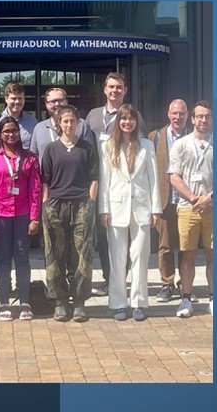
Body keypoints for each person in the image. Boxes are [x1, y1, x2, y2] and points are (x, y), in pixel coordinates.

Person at [99, 105, 162, 321]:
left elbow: (153, 179)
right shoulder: (108, 146)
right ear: (118, 122)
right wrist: (103, 209)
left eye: (131, 119)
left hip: (142, 208)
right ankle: (118, 303)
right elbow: (104, 180)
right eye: (123, 119)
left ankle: (138, 303)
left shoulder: (146, 146)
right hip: (116, 208)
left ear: (137, 122)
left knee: (140, 257)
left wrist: (156, 209)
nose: (127, 122)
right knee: (117, 259)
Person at [85, 72, 144, 297]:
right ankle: (110, 279)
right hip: (97, 182)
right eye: (111, 87)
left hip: (123, 184)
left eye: (119, 87)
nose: (114, 91)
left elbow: (140, 147)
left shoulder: (132, 115)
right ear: (104, 89)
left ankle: (123, 279)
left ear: (125, 90)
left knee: (125, 235)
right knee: (103, 233)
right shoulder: (92, 116)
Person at [41, 105, 99, 322]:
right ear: (58, 124)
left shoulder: (86, 147)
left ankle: (80, 301)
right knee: (55, 254)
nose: (68, 125)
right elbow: (44, 179)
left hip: (81, 203)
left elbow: (95, 176)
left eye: (72, 121)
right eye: (64, 121)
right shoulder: (51, 149)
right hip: (55, 205)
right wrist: (46, 204)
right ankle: (60, 301)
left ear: (78, 123)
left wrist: (91, 201)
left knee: (82, 254)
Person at [0, 117, 41, 321]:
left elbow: (35, 189)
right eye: (6, 131)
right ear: (0, 134)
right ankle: (4, 301)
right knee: (4, 258)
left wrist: (35, 218)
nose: (10, 135)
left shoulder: (30, 158)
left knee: (22, 258)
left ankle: (25, 301)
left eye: (14, 131)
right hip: (0, 215)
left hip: (23, 214)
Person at [169, 101, 213, 318]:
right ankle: (186, 298)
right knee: (188, 255)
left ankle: (214, 298)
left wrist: (209, 197)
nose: (203, 120)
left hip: (215, 208)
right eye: (199, 116)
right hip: (188, 207)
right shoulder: (181, 145)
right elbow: (174, 176)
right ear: (192, 119)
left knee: (214, 255)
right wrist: (195, 198)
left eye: (207, 116)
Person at [149, 99, 189, 303]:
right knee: (164, 246)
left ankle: (185, 284)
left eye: (181, 114)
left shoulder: (193, 137)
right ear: (168, 114)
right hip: (164, 201)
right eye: (174, 113)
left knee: (185, 246)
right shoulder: (155, 137)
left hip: (186, 202)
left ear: (187, 115)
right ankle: (167, 283)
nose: (178, 117)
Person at [30, 88, 96, 163]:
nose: (57, 104)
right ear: (46, 104)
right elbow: (34, 157)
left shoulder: (82, 126)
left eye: (60, 100)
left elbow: (90, 156)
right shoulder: (39, 128)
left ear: (67, 101)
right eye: (52, 101)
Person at [0, 81, 38, 150]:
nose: (17, 102)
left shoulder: (32, 122)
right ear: (6, 99)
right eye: (13, 98)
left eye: (20, 98)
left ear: (24, 99)